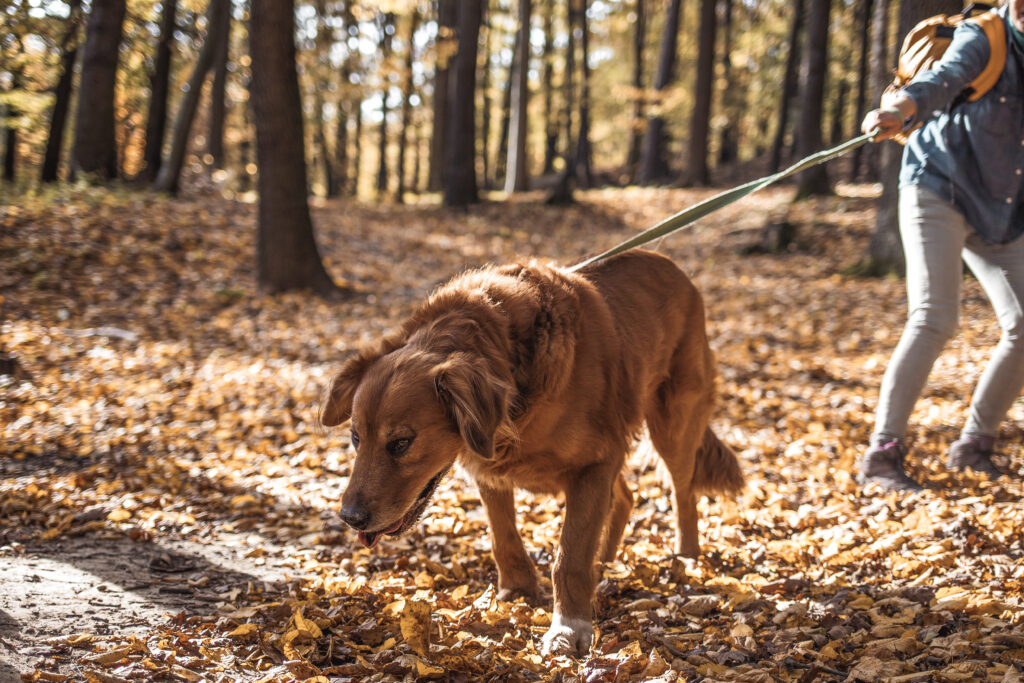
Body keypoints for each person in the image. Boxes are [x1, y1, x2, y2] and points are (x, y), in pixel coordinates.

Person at [858, 0, 1024, 491]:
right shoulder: (986, 35)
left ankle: (975, 445)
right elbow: (943, 79)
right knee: (935, 316)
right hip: (940, 186)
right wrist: (898, 110)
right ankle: (882, 456)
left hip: (1002, 210)